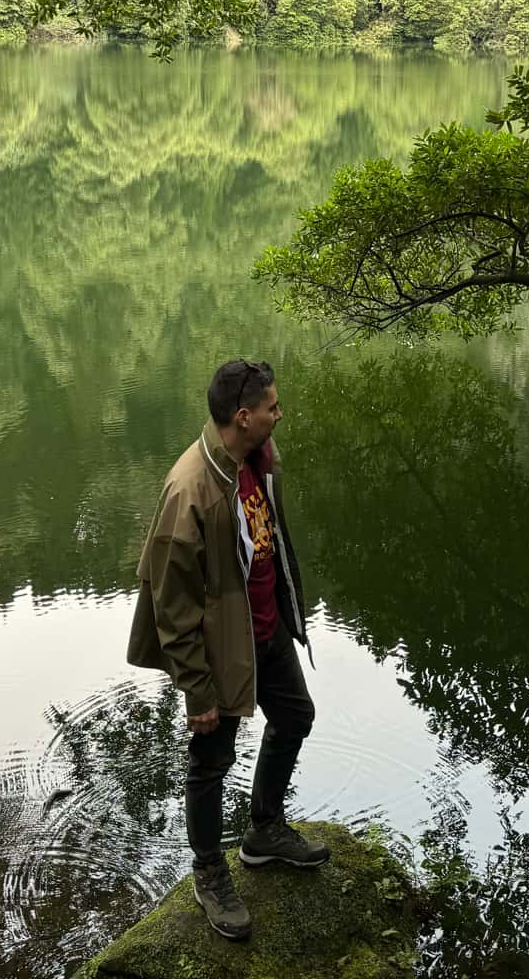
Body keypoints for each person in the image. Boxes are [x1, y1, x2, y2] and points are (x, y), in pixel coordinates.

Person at [126, 358, 327, 940]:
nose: (279, 413)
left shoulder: (258, 461)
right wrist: (196, 687)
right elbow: (171, 605)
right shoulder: (189, 489)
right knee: (211, 760)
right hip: (219, 649)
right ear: (244, 416)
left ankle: (263, 831)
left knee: (295, 716)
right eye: (272, 406)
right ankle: (210, 871)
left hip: (266, 630)